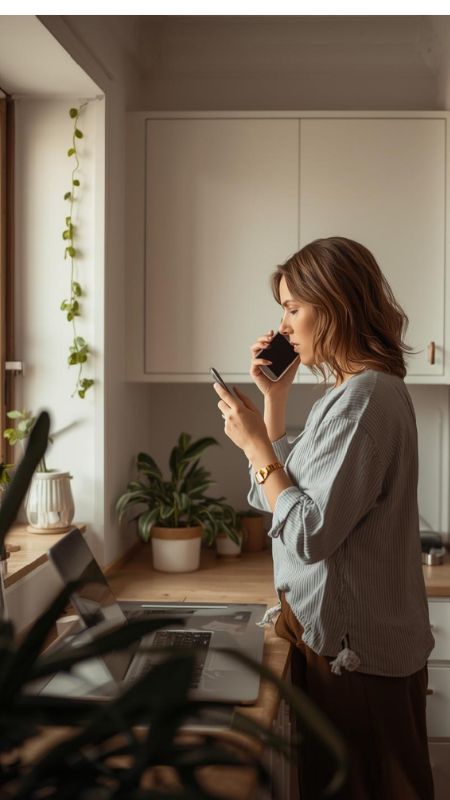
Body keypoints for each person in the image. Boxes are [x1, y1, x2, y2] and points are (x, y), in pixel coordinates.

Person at [212, 236, 435, 800]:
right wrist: (274, 404)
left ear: (333, 304)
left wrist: (257, 445)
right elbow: (275, 499)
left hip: (356, 662)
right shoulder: (345, 394)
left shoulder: (366, 398)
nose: (283, 326)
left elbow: (309, 532)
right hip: (330, 643)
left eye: (292, 308)